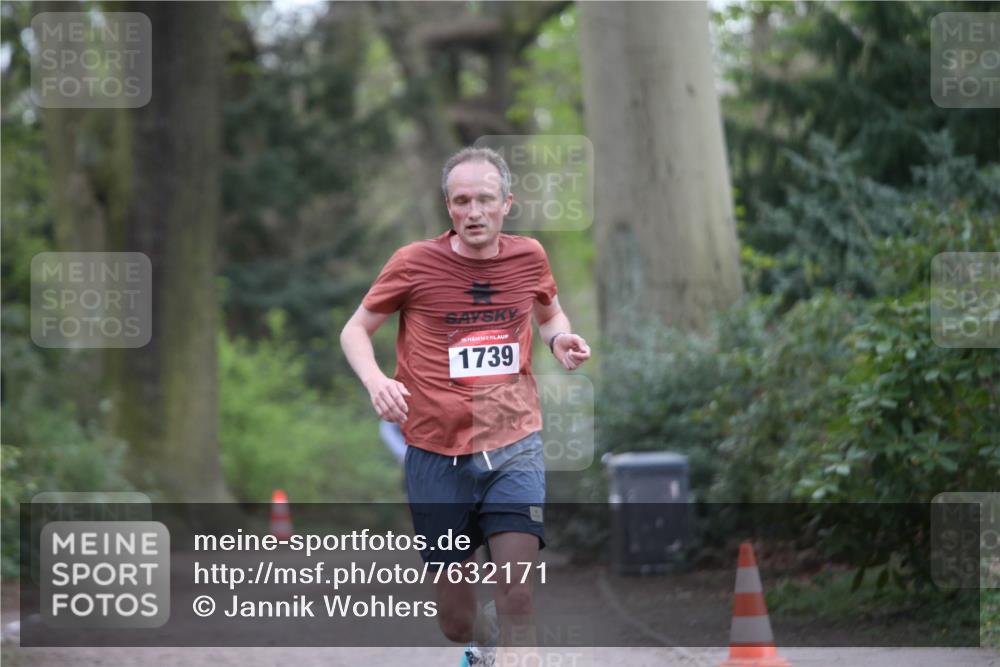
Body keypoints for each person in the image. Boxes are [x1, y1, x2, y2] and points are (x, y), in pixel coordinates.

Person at [340, 147, 591, 666]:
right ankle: (486, 646)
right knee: (456, 623)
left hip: (513, 443)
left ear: (506, 204)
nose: (473, 211)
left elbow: (550, 312)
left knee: (518, 595)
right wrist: (375, 380)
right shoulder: (414, 263)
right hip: (435, 452)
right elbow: (355, 329)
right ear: (448, 208)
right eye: (461, 201)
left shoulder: (530, 257)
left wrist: (559, 339)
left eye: (484, 199)